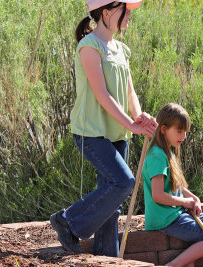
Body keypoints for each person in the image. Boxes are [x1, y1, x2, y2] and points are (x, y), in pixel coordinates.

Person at [49, 0, 158, 257]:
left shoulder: (121, 49)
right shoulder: (89, 47)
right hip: (92, 132)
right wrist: (130, 123)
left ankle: (106, 258)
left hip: (117, 132)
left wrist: (139, 116)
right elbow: (101, 94)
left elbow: (129, 91)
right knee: (123, 182)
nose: (129, 14)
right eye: (124, 9)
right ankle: (68, 221)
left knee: (112, 204)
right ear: (106, 12)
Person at [142, 103, 203, 267]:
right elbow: (158, 195)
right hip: (165, 219)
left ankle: (189, 260)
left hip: (176, 215)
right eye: (179, 131)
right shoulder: (157, 156)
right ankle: (174, 265)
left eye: (185, 132)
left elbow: (175, 186)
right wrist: (185, 202)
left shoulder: (168, 151)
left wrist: (192, 197)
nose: (184, 136)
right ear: (163, 129)